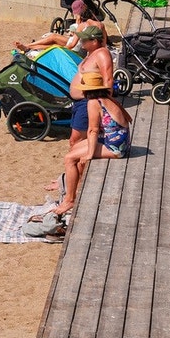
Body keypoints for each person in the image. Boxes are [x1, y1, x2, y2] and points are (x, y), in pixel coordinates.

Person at [40, 25, 130, 219]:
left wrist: (89, 154)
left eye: (85, 40)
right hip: (112, 134)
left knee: (74, 151)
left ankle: (70, 196)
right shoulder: (92, 57)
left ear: (95, 41)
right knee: (74, 149)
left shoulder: (101, 60)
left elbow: (93, 130)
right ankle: (68, 181)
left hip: (111, 139)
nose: (82, 42)